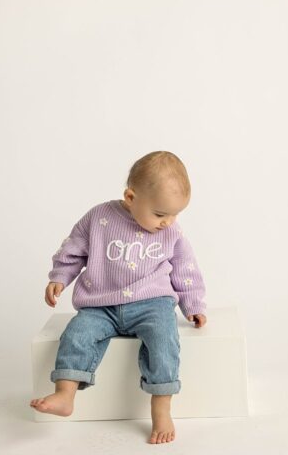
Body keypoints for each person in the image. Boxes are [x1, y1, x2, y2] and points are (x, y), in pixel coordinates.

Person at [30, 151, 207, 445]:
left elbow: (186, 269)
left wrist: (193, 305)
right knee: (77, 333)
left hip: (153, 303)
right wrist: (59, 278)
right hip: (101, 304)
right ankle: (65, 393)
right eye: (160, 214)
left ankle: (161, 407)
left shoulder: (171, 231)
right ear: (130, 197)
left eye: (176, 214)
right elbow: (73, 250)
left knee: (164, 341)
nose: (168, 222)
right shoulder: (99, 218)